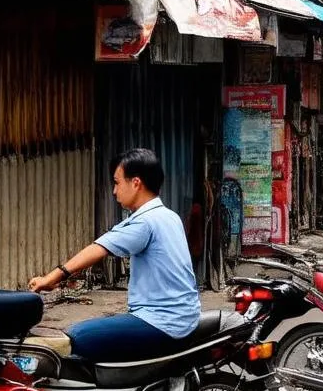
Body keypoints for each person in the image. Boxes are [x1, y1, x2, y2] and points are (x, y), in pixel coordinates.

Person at [29, 148, 201, 361]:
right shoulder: (169, 216)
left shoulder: (145, 221)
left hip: (162, 321)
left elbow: (99, 248)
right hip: (182, 317)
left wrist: (51, 278)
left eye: (117, 182)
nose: (114, 191)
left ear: (136, 183)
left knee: (79, 336)